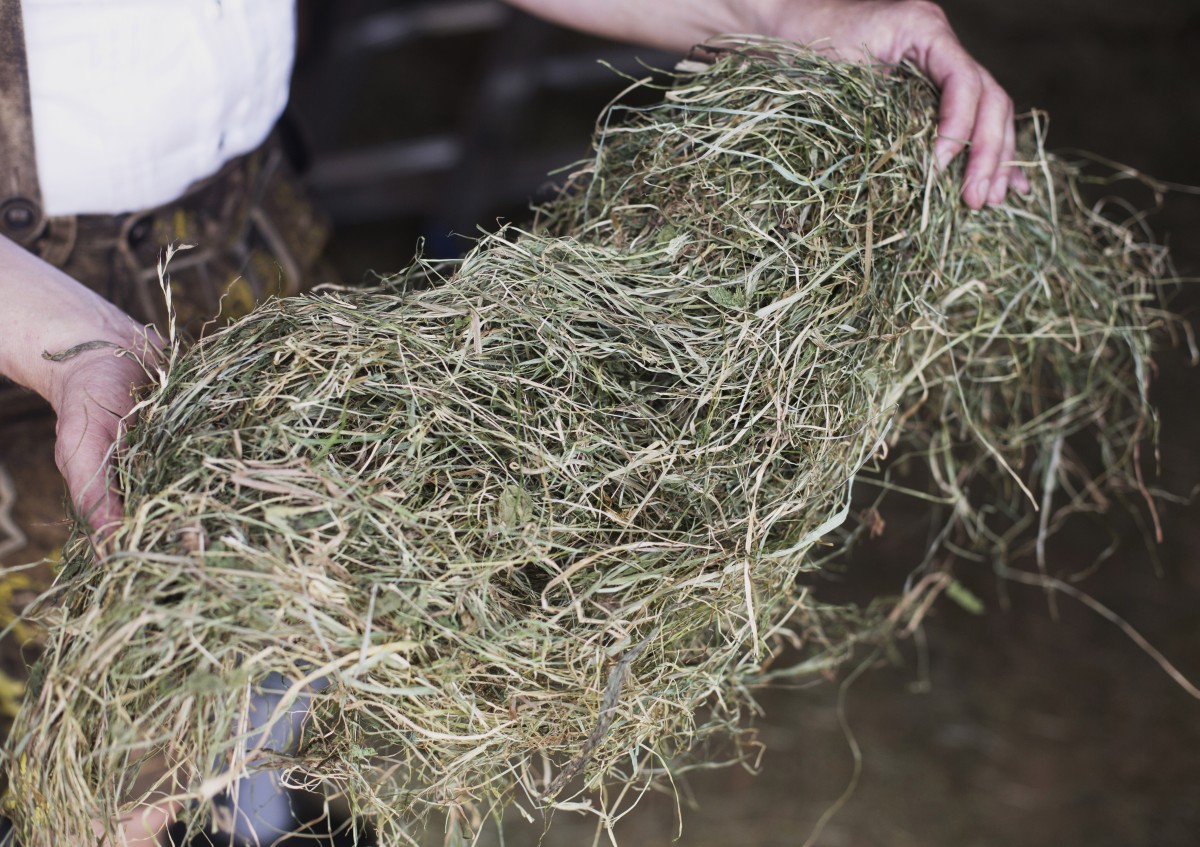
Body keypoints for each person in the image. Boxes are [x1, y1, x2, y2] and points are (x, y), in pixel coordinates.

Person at [0, 0, 1024, 844]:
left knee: (256, 687)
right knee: (82, 778)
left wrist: (783, 16)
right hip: (30, 343)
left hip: (229, 256)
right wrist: (75, 345)